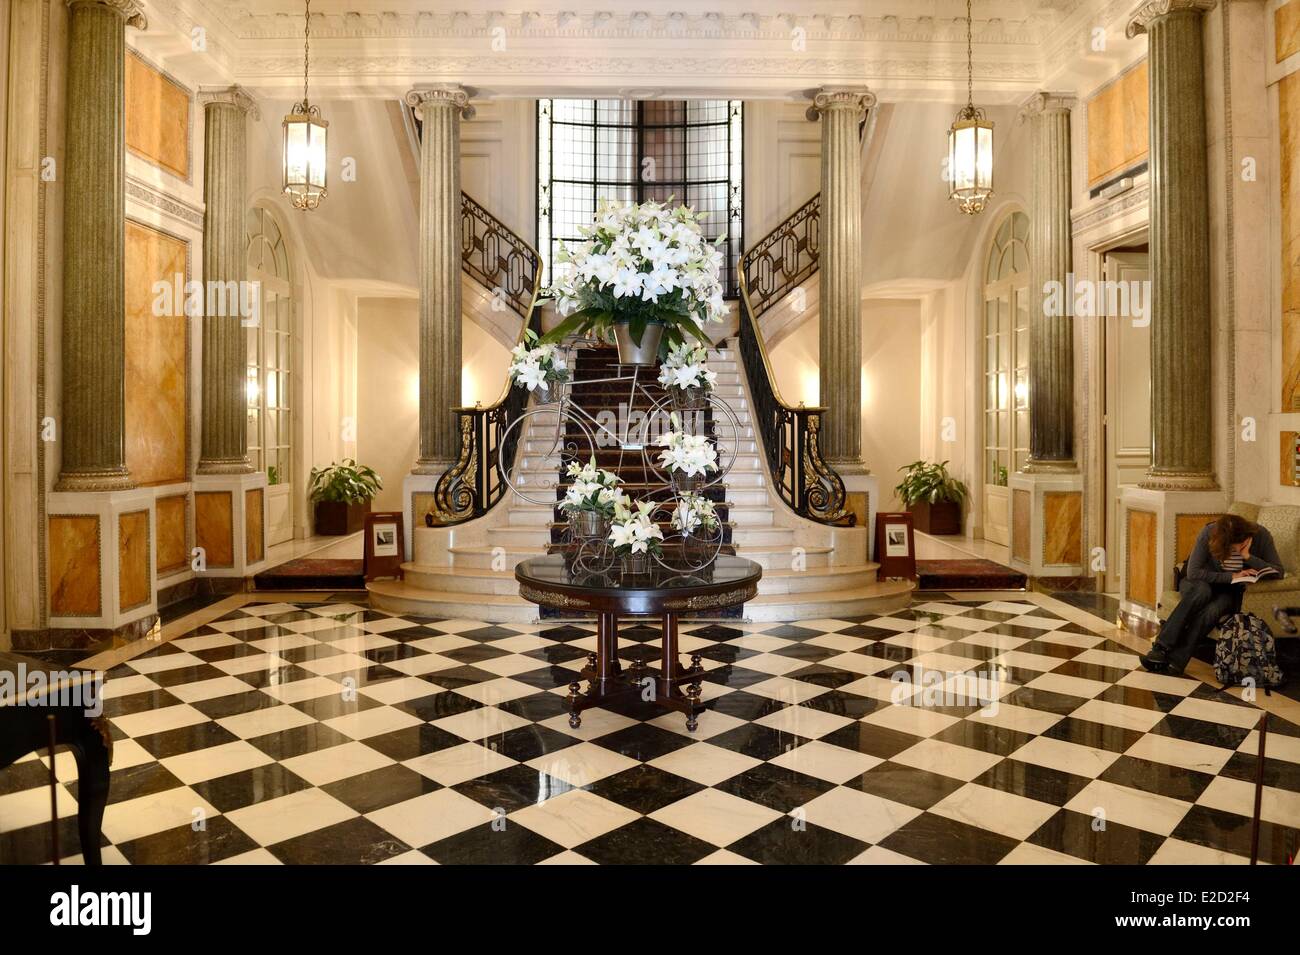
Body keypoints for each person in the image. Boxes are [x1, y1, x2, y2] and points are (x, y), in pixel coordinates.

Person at [1140, 514, 1284, 675]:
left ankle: (1176, 660)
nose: (1235, 551)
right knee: (1203, 592)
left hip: (1229, 591)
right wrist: (1232, 576)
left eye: (1240, 546)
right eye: (1231, 548)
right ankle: (1161, 647)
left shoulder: (1261, 535)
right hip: (1197, 584)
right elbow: (1193, 573)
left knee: (1213, 609)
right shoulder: (1209, 532)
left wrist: (1248, 556)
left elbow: (1278, 572)